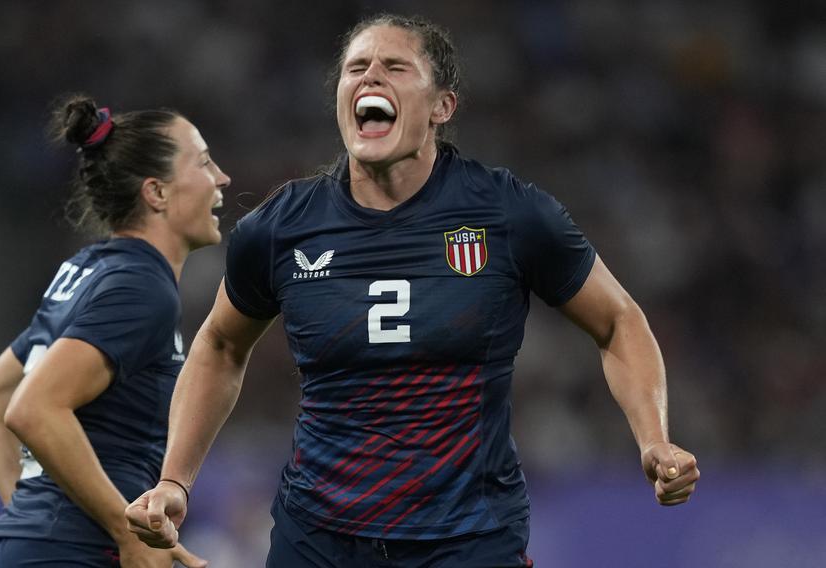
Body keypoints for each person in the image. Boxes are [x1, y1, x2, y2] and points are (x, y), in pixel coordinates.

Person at [126, 13, 700, 568]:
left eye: (395, 67)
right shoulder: (282, 227)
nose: (370, 77)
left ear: (441, 107)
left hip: (469, 539)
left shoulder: (507, 213)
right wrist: (176, 478)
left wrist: (655, 440)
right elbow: (221, 346)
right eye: (356, 68)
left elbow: (617, 322)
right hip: (320, 539)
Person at [0, 94, 229, 567]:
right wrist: (123, 534)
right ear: (157, 192)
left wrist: (34, 522)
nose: (221, 178)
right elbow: (33, 408)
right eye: (205, 163)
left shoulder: (87, 270)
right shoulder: (142, 287)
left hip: (21, 548)